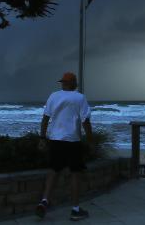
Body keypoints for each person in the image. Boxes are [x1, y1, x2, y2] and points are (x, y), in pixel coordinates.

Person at [36, 72, 93, 221]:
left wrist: (42, 137)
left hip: (55, 140)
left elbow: (45, 118)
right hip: (73, 141)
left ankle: (44, 201)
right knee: (75, 173)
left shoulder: (53, 96)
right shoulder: (80, 97)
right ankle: (75, 209)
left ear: (63, 83)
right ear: (74, 84)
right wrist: (90, 139)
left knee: (53, 170)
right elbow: (85, 121)